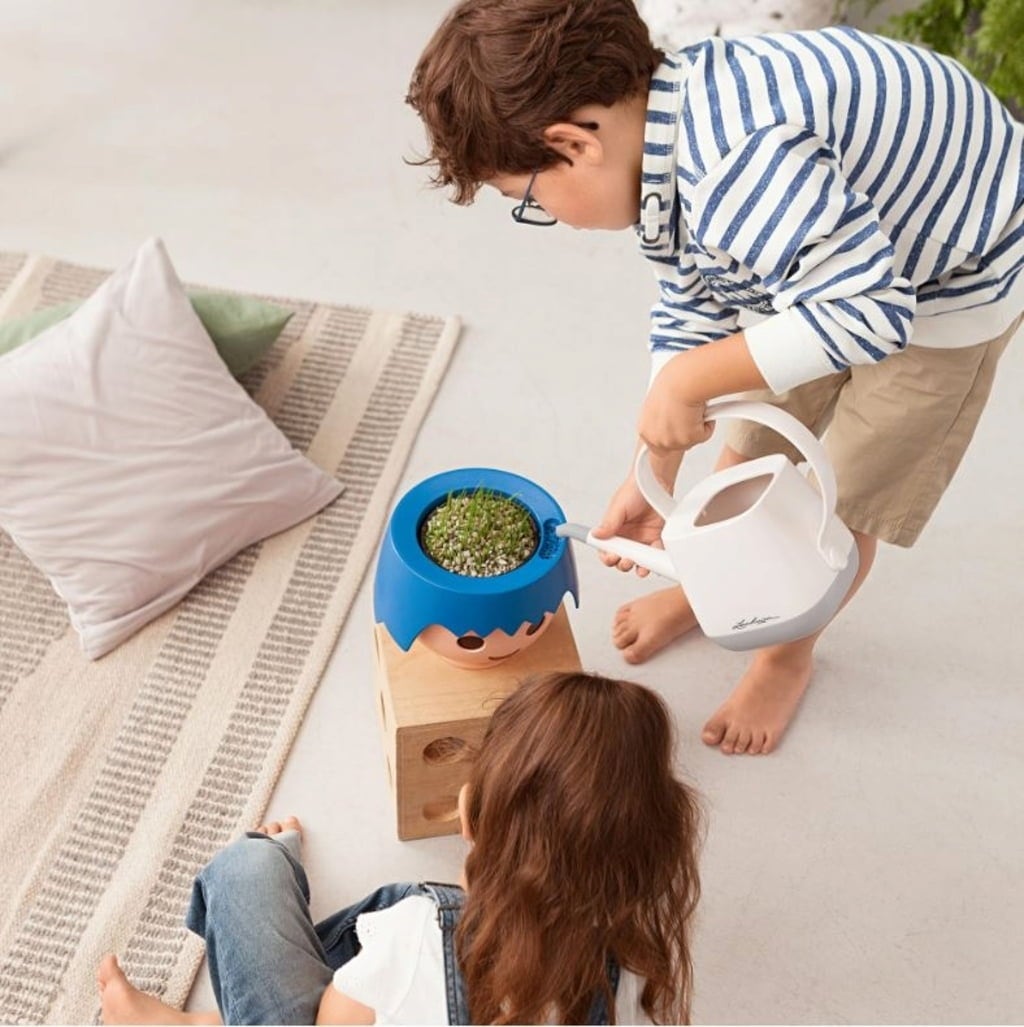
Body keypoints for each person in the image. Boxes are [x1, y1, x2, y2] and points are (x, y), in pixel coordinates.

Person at [406, 0, 1024, 756]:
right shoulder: (664, 139)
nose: (545, 215)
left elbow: (872, 313)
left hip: (949, 279)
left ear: (572, 144)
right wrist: (656, 461)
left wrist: (690, 381)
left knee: (843, 499)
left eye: (527, 200)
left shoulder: (737, 168)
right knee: (754, 435)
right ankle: (712, 581)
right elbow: (694, 293)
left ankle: (787, 655)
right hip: (823, 262)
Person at [97, 671, 703, 1025]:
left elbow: (328, 1024)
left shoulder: (417, 936)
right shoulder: (622, 972)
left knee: (249, 868)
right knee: (410, 900)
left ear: (468, 811)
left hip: (377, 984)